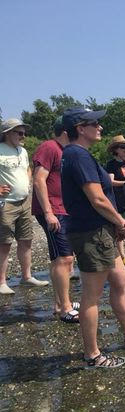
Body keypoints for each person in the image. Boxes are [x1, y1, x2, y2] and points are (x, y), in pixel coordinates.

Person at [60, 107, 125, 368]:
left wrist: (113, 224)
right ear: (81, 128)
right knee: (91, 295)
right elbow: (97, 198)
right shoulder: (77, 155)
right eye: (95, 123)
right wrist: (120, 220)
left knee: (121, 279)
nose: (100, 127)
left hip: (100, 231)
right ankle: (92, 355)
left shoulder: (78, 154)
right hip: (92, 232)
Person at [32, 117, 78, 322]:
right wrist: (48, 212)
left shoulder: (66, 151)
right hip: (52, 210)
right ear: (66, 131)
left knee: (63, 258)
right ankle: (65, 308)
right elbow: (38, 179)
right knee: (63, 258)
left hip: (64, 209)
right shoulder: (49, 147)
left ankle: (60, 302)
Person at [0, 118, 49, 294]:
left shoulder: (23, 151)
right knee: (4, 243)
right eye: (19, 133)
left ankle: (26, 277)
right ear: (7, 133)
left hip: (24, 201)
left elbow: (28, 168)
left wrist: (27, 180)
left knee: (26, 239)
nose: (23, 136)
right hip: (5, 203)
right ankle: (1, 282)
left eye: (24, 133)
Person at [105, 135, 125, 266]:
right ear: (115, 149)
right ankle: (122, 256)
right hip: (119, 200)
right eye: (122, 147)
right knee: (122, 227)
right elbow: (110, 181)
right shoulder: (111, 165)